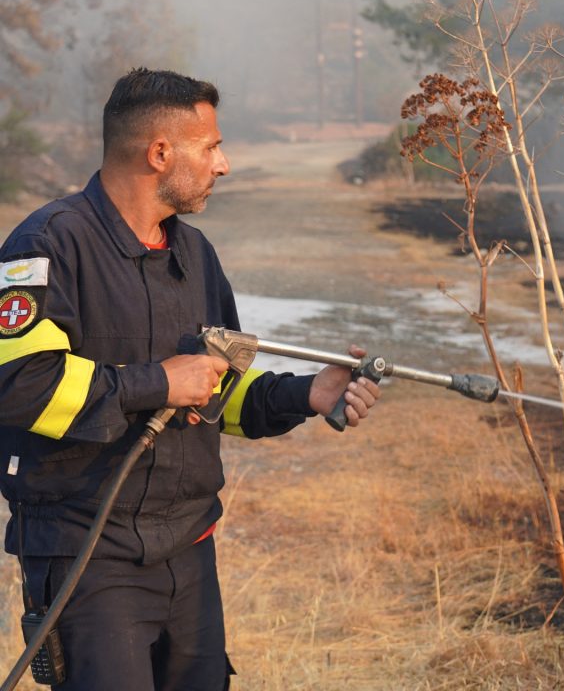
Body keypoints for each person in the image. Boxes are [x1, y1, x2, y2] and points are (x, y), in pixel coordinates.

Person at [0, 68, 381, 690]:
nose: (223, 164)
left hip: (189, 549)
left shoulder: (194, 254)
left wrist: (305, 394)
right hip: (87, 557)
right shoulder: (46, 247)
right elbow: (18, 384)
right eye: (210, 147)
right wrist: (156, 383)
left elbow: (215, 392)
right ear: (159, 153)